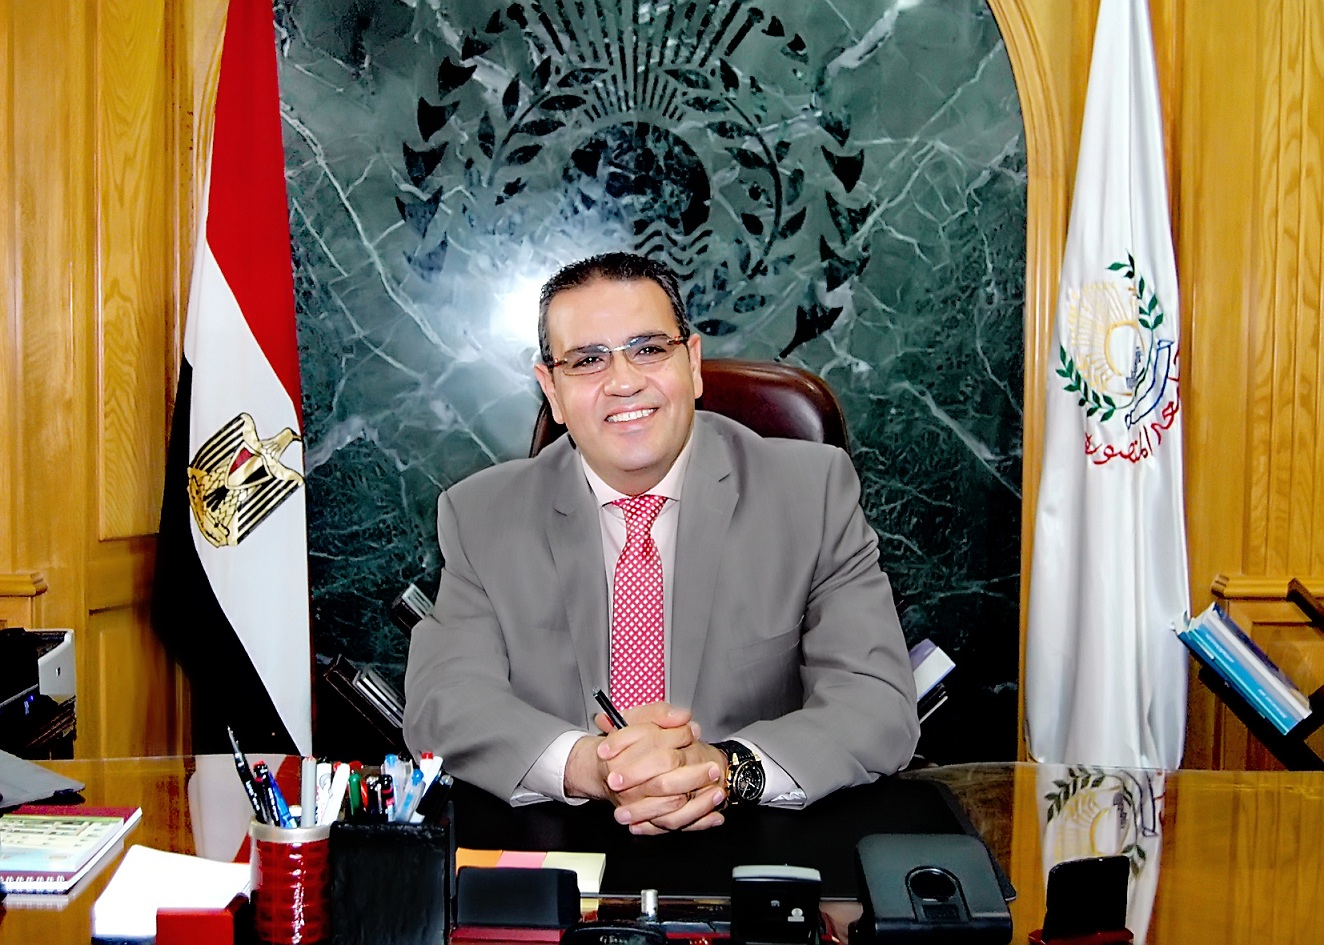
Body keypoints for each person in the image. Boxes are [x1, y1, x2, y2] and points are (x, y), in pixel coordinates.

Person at [404, 252, 918, 834]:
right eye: (588, 360)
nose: (624, 382)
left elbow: (876, 704)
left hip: (756, 836)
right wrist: (593, 768)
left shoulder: (811, 493)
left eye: (648, 349)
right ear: (552, 389)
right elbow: (444, 704)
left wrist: (723, 770)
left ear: (692, 363)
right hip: (562, 843)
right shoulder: (480, 515)